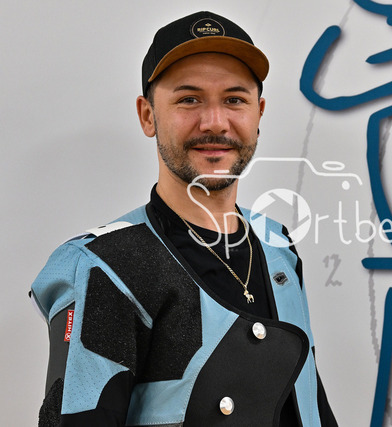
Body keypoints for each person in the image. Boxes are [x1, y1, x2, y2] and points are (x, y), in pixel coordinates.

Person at [30, 11, 338, 426]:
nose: (215, 123)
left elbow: (307, 400)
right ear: (148, 116)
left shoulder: (277, 244)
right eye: (189, 99)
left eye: (235, 99)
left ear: (259, 113)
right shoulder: (103, 266)